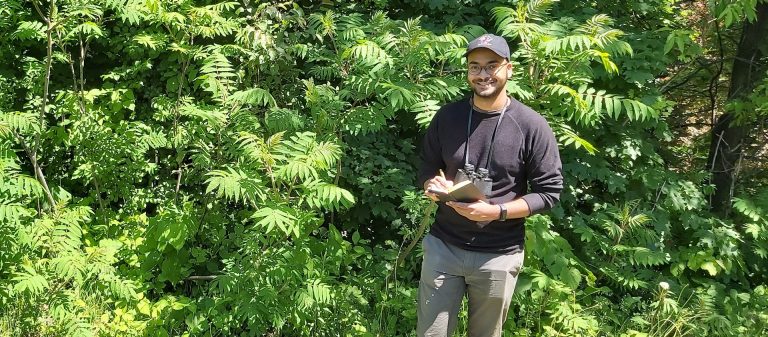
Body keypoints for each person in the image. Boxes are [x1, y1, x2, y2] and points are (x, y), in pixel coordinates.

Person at [416, 33, 563, 337]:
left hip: (498, 252)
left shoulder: (531, 125)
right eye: (475, 66)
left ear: (509, 68)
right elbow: (427, 169)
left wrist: (496, 212)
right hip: (445, 245)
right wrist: (432, 185)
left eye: (491, 65)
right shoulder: (448, 117)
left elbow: (549, 193)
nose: (483, 74)